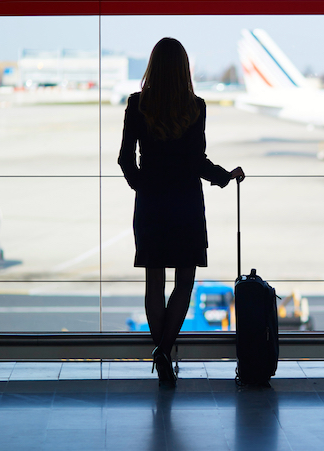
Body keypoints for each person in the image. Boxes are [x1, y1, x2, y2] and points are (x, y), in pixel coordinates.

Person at [118, 37, 244, 388]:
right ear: (183, 69)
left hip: (152, 205)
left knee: (154, 283)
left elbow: (125, 159)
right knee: (184, 282)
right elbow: (196, 161)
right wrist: (224, 176)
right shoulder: (196, 107)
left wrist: (141, 185)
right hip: (186, 203)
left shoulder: (137, 105)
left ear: (153, 67)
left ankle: (161, 355)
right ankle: (163, 351)